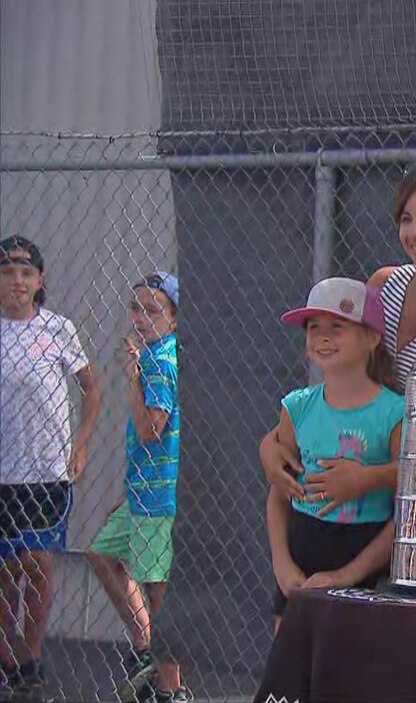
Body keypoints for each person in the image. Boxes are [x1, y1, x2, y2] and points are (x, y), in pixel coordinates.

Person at [259, 162, 416, 503]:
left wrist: (371, 478)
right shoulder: (384, 285)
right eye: (406, 219)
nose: (415, 231)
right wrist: (272, 443)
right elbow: (344, 384)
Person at [266, 277, 404, 633]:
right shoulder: (296, 407)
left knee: (351, 675)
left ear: (372, 337)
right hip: (302, 558)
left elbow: (406, 507)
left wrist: (346, 575)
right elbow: (279, 495)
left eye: (337, 327)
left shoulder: (395, 413)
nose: (323, 337)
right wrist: (282, 566)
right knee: (290, 673)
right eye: (314, 328)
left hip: (366, 562)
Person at [0, 236, 101, 698]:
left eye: (26, 272)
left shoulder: (58, 330)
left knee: (38, 564)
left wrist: (79, 447)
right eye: (7, 272)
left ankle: (32, 654)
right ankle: (6, 657)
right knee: (4, 570)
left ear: (40, 281)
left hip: (46, 472)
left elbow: (90, 388)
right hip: (4, 473)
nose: (17, 281)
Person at [85, 271, 186, 703]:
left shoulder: (160, 364)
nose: (141, 317)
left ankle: (170, 688)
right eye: (136, 308)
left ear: (175, 319)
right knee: (102, 553)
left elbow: (150, 430)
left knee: (157, 587)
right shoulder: (153, 356)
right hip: (142, 493)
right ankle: (145, 649)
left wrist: (132, 378)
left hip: (157, 499)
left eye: (153, 309)